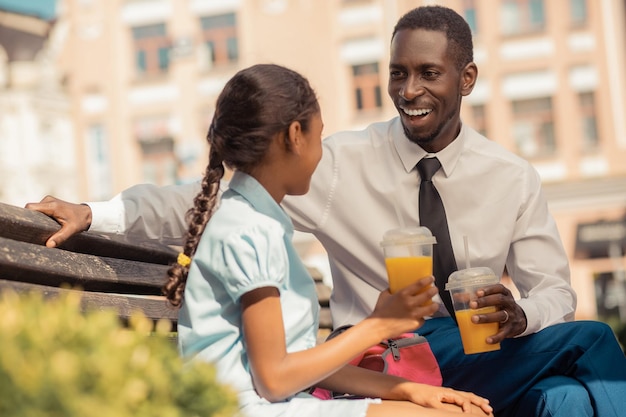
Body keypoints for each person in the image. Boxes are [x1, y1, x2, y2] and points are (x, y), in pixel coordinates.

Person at [27, 5, 626, 417]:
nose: (408, 90)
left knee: (566, 398)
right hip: (382, 357)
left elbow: (555, 293)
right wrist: (98, 211)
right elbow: (204, 196)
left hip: (480, 356)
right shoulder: (334, 164)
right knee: (595, 343)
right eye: (397, 73)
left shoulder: (513, 178)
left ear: (466, 78)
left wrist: (520, 316)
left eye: (428, 74)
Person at [157, 63, 493, 417]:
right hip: (245, 408)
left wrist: (411, 390)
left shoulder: (256, 221)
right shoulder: (248, 229)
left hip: (273, 402)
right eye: (320, 138)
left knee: (459, 411)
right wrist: (378, 325)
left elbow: (295, 369)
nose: (322, 154)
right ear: (295, 135)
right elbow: (274, 379)